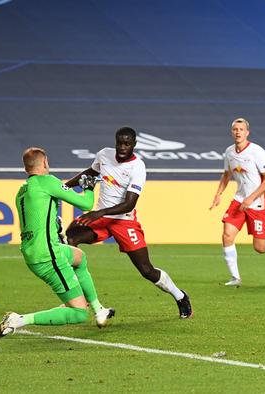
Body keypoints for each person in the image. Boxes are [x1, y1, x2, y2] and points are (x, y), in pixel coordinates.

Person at [64, 127, 193, 319]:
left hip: (124, 221)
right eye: (120, 143)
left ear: (134, 144)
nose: (122, 147)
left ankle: (180, 296)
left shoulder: (137, 167)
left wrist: (99, 212)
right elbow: (90, 172)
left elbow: (129, 204)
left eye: (127, 144)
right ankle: (80, 299)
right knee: (70, 238)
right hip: (101, 219)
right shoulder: (104, 155)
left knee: (146, 270)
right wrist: (64, 187)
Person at [0, 147, 114, 338]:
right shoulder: (47, 182)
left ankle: (99, 309)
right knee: (79, 313)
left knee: (79, 257)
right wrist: (89, 187)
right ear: (45, 163)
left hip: (38, 250)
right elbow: (86, 204)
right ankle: (19, 320)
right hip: (48, 256)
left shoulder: (22, 190)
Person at [209, 118, 265, 287]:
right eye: (235, 129)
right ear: (232, 132)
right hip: (239, 200)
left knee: (260, 247)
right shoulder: (229, 152)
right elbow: (226, 174)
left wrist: (251, 197)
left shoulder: (257, 152)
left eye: (241, 129)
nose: (238, 132)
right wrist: (218, 194)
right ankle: (235, 277)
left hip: (257, 203)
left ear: (247, 133)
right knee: (227, 235)